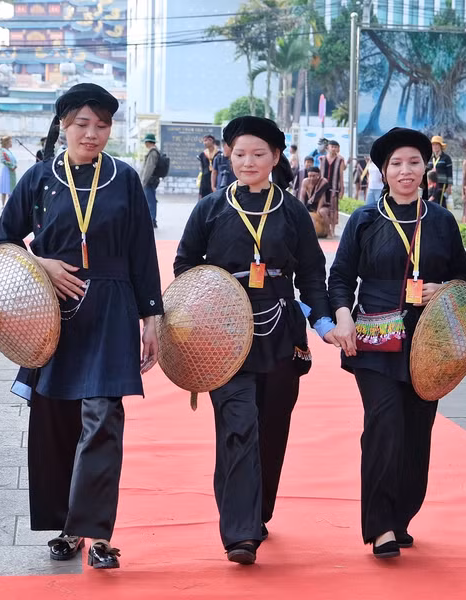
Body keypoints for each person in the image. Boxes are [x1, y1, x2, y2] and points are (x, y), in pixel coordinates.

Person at [0, 83, 163, 570]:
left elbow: (141, 253)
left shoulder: (125, 178)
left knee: (104, 419)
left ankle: (96, 532)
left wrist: (151, 317)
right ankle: (66, 523)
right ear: (64, 125)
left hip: (112, 308)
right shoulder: (40, 179)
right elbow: (4, 241)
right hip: (55, 313)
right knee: (56, 420)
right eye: (82, 124)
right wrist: (41, 263)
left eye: (102, 124)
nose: (92, 133)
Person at [173, 115, 335, 566]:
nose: (248, 161)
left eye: (258, 154)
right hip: (224, 334)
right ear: (228, 155)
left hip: (281, 330)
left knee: (273, 427)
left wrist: (323, 322)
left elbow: (312, 275)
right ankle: (240, 532)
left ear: (276, 158)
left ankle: (257, 512)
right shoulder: (210, 208)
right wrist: (203, 310)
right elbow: (185, 265)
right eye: (240, 153)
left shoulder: (293, 211)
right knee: (238, 424)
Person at [326, 127, 466, 559]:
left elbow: (463, 278)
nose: (405, 171)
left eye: (413, 162)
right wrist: (342, 316)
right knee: (383, 425)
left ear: (426, 167)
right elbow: (340, 278)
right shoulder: (366, 220)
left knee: (416, 432)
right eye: (396, 164)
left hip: (429, 343)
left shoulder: (442, 221)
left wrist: (442, 288)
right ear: (383, 172)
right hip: (375, 339)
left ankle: (401, 516)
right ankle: (380, 526)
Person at [319, 140, 346, 231]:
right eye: (332, 146)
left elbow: (341, 176)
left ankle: (333, 230)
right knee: (322, 206)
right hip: (323, 188)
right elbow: (319, 174)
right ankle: (325, 229)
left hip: (334, 188)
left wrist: (342, 189)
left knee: (333, 208)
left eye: (335, 147)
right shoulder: (322, 159)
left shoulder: (340, 160)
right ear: (328, 147)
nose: (333, 149)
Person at [299, 166, 332, 237]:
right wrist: (301, 207)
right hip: (310, 204)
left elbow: (321, 197)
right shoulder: (305, 181)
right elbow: (302, 196)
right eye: (310, 176)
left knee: (322, 212)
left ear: (318, 175)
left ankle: (329, 231)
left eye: (314, 176)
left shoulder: (323, 182)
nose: (311, 178)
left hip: (324, 204)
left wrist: (318, 210)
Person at [140, 133, 161, 228]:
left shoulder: (153, 152)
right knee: (151, 200)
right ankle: (152, 219)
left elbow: (149, 168)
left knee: (150, 201)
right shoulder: (154, 151)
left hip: (149, 181)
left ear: (148, 142)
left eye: (145, 142)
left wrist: (144, 181)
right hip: (152, 180)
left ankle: (152, 220)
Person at [426, 135, 453, 208]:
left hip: (442, 184)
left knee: (442, 203)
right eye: (433, 145)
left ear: (441, 146)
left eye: (437, 144)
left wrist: (449, 186)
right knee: (432, 203)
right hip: (432, 185)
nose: (435, 146)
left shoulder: (446, 158)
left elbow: (449, 172)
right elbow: (427, 170)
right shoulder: (430, 158)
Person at [0, 135, 18, 208]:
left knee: (11, 187)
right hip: (7, 170)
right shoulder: (2, 151)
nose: (11, 143)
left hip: (12, 171)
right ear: (6, 143)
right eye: (10, 142)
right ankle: (3, 204)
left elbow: (13, 160)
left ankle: (10, 203)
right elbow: (3, 160)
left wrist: (14, 165)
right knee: (5, 186)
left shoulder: (9, 151)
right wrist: (11, 166)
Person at [198, 134, 219, 199]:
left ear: (211, 140)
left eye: (206, 141)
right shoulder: (202, 154)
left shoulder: (219, 154)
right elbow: (202, 168)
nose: (204, 143)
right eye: (204, 141)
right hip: (205, 179)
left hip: (216, 178)